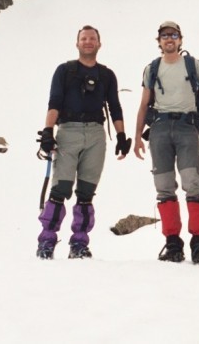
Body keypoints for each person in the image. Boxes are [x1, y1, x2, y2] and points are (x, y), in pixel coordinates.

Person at [36, 25, 130, 260]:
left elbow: (114, 106)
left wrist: (121, 136)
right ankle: (46, 241)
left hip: (96, 134)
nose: (88, 42)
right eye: (84, 38)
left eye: (92, 38)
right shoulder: (64, 71)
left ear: (99, 44)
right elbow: (54, 101)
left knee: (87, 191)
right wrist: (48, 131)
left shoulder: (107, 75)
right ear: (77, 43)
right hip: (68, 131)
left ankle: (79, 243)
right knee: (61, 188)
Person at [133, 21, 199, 265]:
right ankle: (173, 244)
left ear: (180, 40)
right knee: (163, 186)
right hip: (159, 128)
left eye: (173, 35)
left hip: (186, 127)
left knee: (193, 183)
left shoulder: (193, 65)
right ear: (159, 41)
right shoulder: (151, 69)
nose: (169, 39)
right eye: (164, 36)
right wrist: (137, 138)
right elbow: (143, 104)